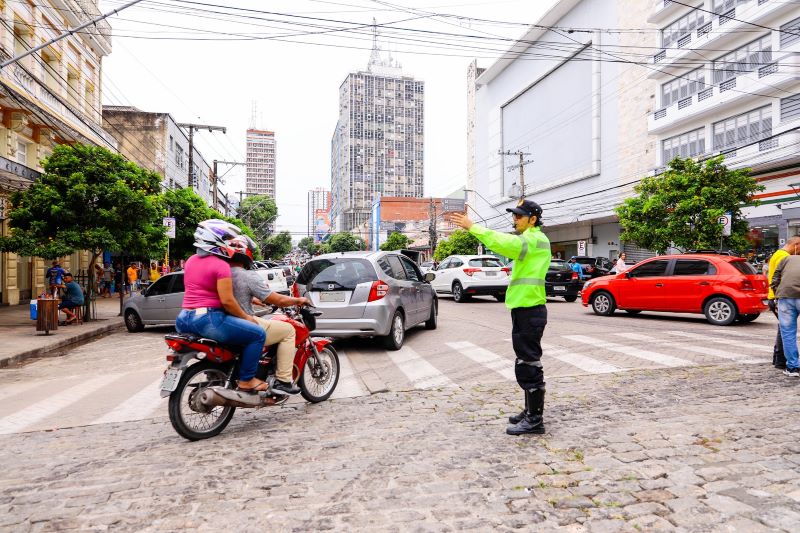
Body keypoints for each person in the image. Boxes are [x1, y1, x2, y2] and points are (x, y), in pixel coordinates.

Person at [450, 199, 551, 435]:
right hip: (525, 308)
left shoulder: (533, 239)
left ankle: (535, 420)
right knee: (525, 360)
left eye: (519, 216)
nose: (514, 219)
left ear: (532, 219)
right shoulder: (534, 239)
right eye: (514, 215)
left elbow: (502, 243)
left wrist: (472, 226)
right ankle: (529, 412)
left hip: (530, 309)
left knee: (529, 362)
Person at [175, 219, 268, 392]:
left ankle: (221, 373)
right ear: (214, 239)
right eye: (225, 238)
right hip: (207, 319)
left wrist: (253, 300)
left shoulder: (190, 261)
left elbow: (206, 289)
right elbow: (227, 301)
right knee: (257, 334)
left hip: (183, 318)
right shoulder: (221, 265)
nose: (229, 243)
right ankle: (247, 380)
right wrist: (248, 318)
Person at [227, 236, 312, 395]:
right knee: (288, 331)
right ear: (247, 255)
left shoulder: (221, 273)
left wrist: (255, 300)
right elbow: (278, 299)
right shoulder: (248, 276)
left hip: (223, 322)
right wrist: (298, 300)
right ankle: (283, 380)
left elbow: (232, 295)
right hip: (243, 323)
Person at [767, 237, 800, 370]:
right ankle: (781, 360)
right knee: (785, 332)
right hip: (782, 296)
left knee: (785, 331)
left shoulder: (778, 254)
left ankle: (781, 360)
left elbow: (775, 277)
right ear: (796, 245)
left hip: (780, 296)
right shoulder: (784, 256)